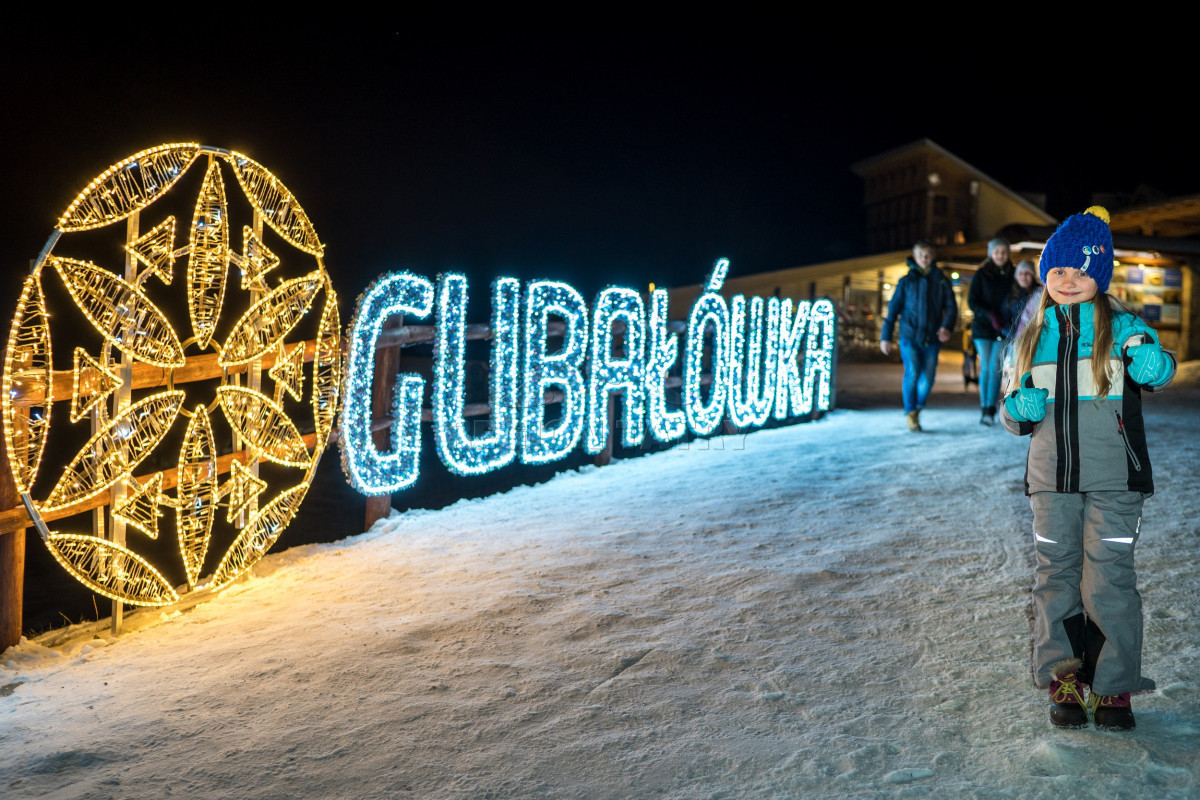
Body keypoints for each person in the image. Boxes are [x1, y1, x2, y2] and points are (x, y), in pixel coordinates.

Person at [1000, 206, 1176, 731]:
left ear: (1100, 275)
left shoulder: (1123, 329)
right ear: (1045, 274)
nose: (1069, 280)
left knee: (1109, 580)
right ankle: (1065, 679)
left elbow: (1158, 366)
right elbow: (1010, 411)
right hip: (1050, 482)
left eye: (1081, 271)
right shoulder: (1030, 339)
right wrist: (1018, 409)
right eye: (1058, 270)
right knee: (1055, 577)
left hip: (1115, 480)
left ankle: (1114, 685)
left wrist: (1156, 365)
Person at [879, 240, 958, 432]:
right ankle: (910, 411)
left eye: (928, 255)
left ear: (933, 257)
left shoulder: (941, 280)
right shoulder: (906, 281)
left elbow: (951, 307)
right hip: (909, 336)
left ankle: (917, 407)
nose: (924, 258)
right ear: (914, 257)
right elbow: (893, 309)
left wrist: (946, 327)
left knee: (928, 379)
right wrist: (885, 337)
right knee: (912, 373)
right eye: (921, 255)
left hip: (932, 337)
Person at [968, 237, 1015, 426]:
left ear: (1008, 254)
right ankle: (984, 407)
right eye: (996, 252)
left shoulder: (1013, 274)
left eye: (1003, 252)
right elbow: (972, 301)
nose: (1000, 255)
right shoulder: (981, 274)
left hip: (1004, 327)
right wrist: (989, 314)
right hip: (983, 327)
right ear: (990, 254)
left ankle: (990, 409)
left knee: (995, 367)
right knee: (986, 367)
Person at [1004, 258, 1041, 339]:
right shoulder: (1010, 296)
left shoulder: (1040, 293)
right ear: (1016, 276)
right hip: (1016, 338)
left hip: (1038, 337)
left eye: (1027, 273)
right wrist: (1013, 336)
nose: (1023, 276)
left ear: (1033, 275)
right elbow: (1004, 319)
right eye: (1020, 273)